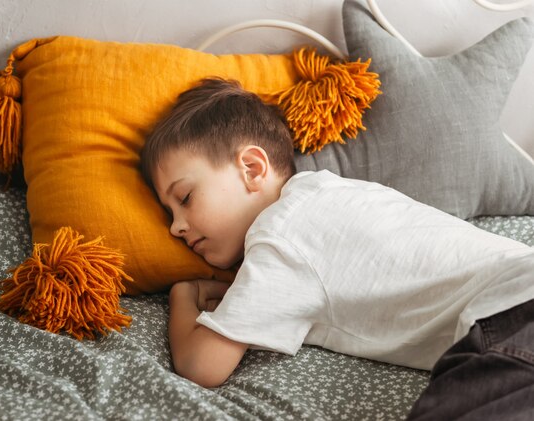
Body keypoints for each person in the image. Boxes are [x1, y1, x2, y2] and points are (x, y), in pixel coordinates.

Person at [140, 78, 534, 419]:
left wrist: (182, 294)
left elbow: (201, 365)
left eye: (186, 197)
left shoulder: (281, 236)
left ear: (253, 169)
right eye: (169, 212)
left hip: (510, 317)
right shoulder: (325, 192)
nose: (176, 227)